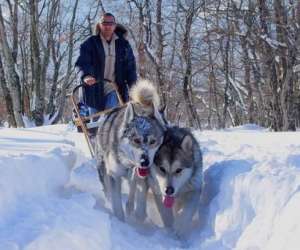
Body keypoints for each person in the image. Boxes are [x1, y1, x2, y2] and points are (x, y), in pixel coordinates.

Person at [75, 12, 137, 116]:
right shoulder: (89, 43)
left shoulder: (124, 45)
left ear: (115, 25)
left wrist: (134, 89)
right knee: (95, 123)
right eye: (104, 23)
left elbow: (130, 68)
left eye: (110, 23)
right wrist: (86, 75)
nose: (107, 26)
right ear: (99, 25)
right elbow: (82, 62)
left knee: (110, 119)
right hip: (92, 88)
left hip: (114, 87)